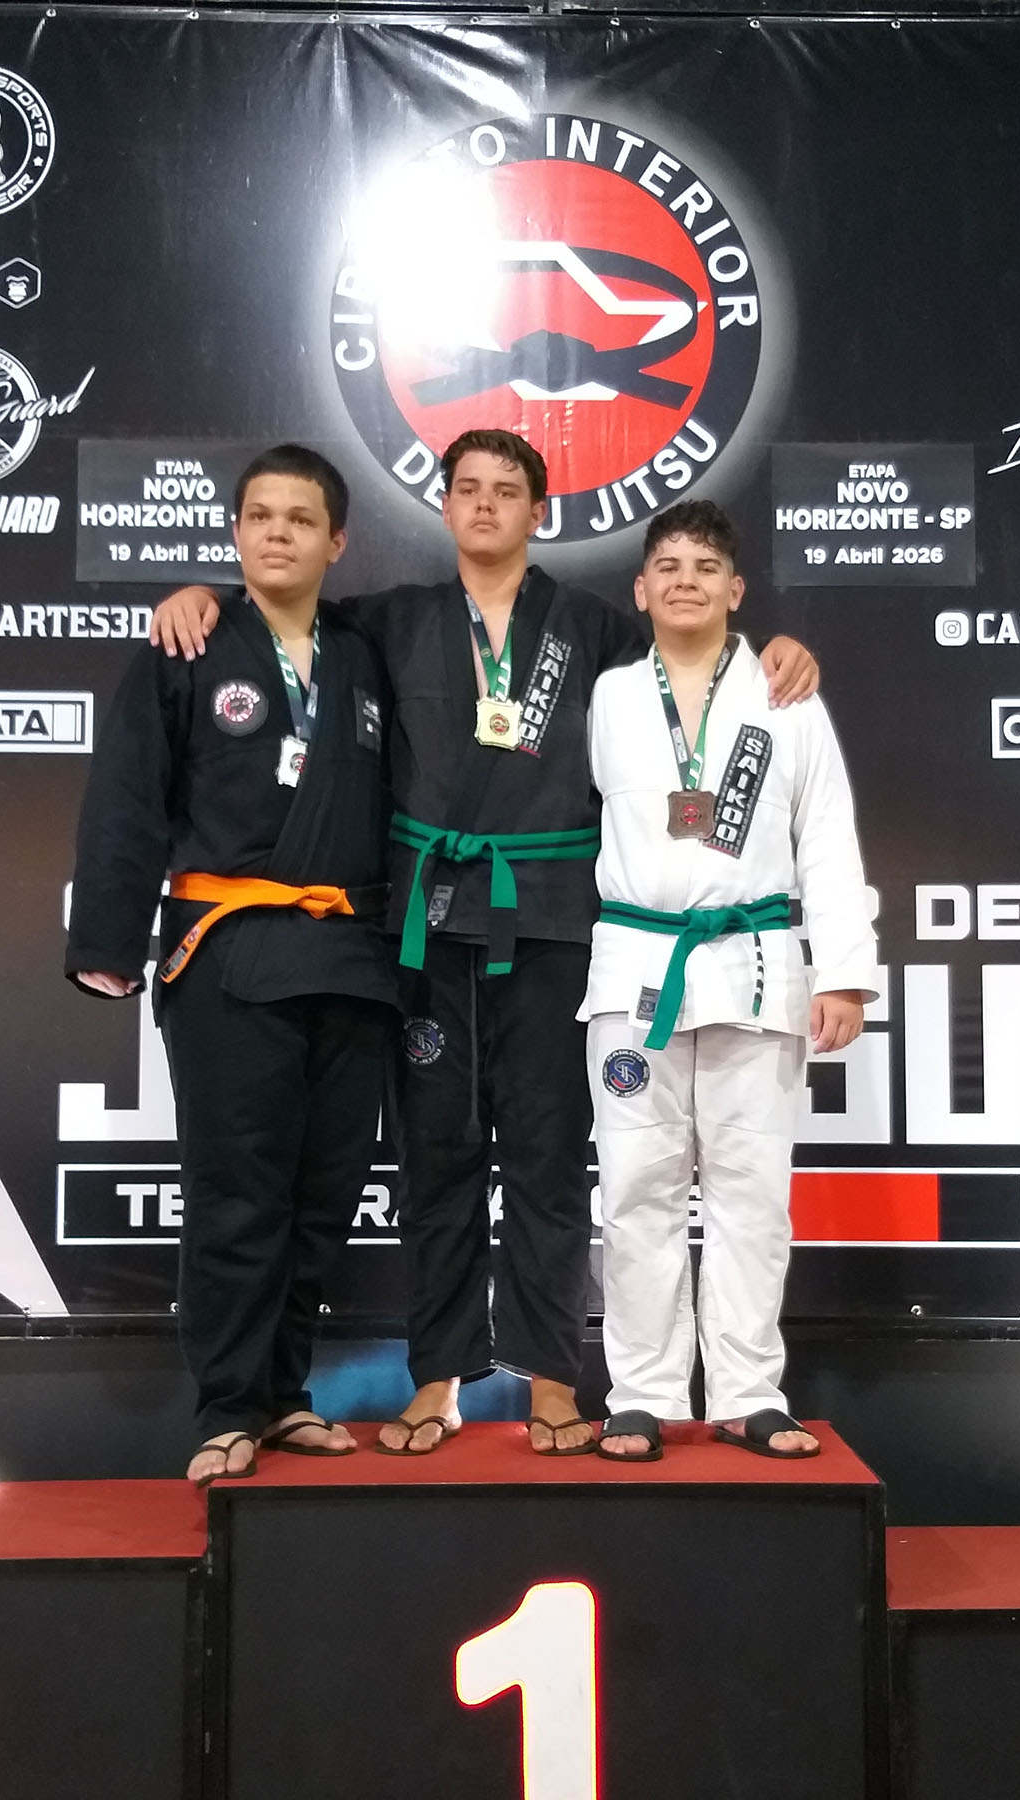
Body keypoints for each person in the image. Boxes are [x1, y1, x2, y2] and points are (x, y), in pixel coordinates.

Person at [148, 431, 818, 1457]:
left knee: (549, 1158)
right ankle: (438, 1378)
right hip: (426, 928)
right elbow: (282, 612)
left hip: (551, 926)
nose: (486, 504)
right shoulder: (388, 620)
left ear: (537, 512)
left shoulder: (594, 626)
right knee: (436, 1159)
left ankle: (552, 1376)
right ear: (445, 504)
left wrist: (775, 650)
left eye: (507, 490)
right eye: (468, 488)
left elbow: (691, 662)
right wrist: (203, 595)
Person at [67, 444, 396, 1484]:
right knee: (236, 1189)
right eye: (260, 516)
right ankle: (226, 1405)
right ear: (236, 532)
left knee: (323, 1192)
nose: (278, 533)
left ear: (337, 541)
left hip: (349, 957)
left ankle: (285, 1392)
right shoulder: (188, 646)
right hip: (230, 953)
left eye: (301, 519)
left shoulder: (368, 650)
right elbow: (128, 794)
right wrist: (109, 942)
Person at [582, 500, 876, 1463]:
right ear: (640, 589)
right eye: (667, 567)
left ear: (736, 589)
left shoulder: (787, 696)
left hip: (756, 968)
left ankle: (750, 1391)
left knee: (753, 1193)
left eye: (705, 567)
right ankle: (643, 1394)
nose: (685, 581)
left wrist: (844, 974)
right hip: (637, 974)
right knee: (637, 1188)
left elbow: (826, 839)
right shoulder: (608, 696)